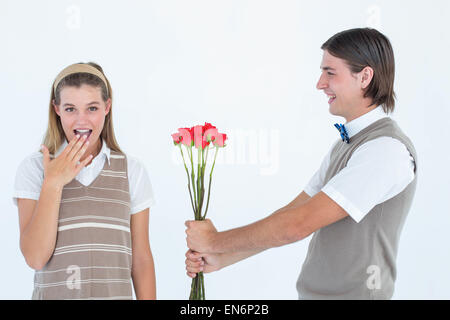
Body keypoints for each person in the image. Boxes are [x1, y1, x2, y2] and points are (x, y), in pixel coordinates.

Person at [185, 28, 418, 300]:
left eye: (330, 73)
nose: (320, 83)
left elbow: (296, 226)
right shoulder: (346, 145)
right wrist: (222, 257)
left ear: (365, 77)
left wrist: (215, 241)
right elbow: (293, 212)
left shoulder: (385, 150)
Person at [13, 62, 157, 300]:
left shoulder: (131, 170)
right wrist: (53, 183)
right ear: (56, 109)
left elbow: (141, 260)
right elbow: (35, 257)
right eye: (70, 109)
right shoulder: (34, 169)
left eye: (92, 108)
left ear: (107, 107)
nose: (81, 121)